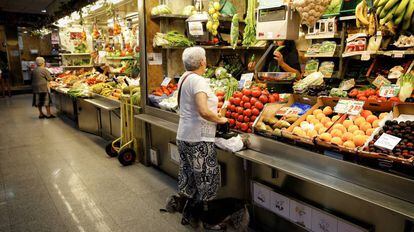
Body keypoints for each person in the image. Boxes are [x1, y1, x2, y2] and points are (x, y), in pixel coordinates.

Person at [176, 47, 228, 228]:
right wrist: (221, 119)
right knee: (207, 180)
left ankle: (188, 215)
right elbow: (204, 111)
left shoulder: (184, 77)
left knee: (190, 179)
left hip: (184, 135)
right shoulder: (198, 81)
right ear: (202, 62)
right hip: (198, 139)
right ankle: (209, 222)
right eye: (205, 59)